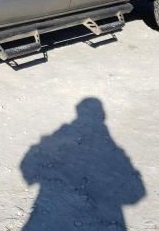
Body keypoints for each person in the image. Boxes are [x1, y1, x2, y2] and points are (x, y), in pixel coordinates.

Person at [20, 98, 145, 230]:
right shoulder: (112, 148)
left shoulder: (62, 134)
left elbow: (27, 165)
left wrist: (36, 178)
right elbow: (136, 194)